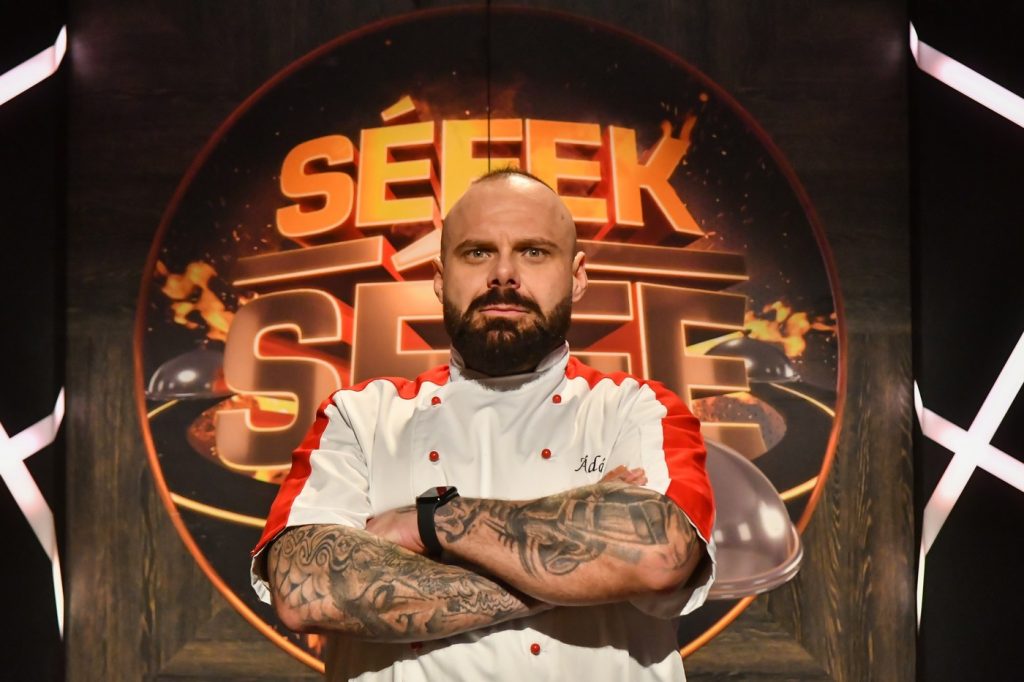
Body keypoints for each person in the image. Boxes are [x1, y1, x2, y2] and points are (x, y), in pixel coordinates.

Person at [250, 168, 716, 681]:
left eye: (534, 251)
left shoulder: (637, 407)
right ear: (439, 277)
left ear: (578, 276)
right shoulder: (361, 415)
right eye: (477, 253)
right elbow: (305, 589)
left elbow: (658, 554)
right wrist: (577, 569)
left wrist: (430, 521)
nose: (504, 274)